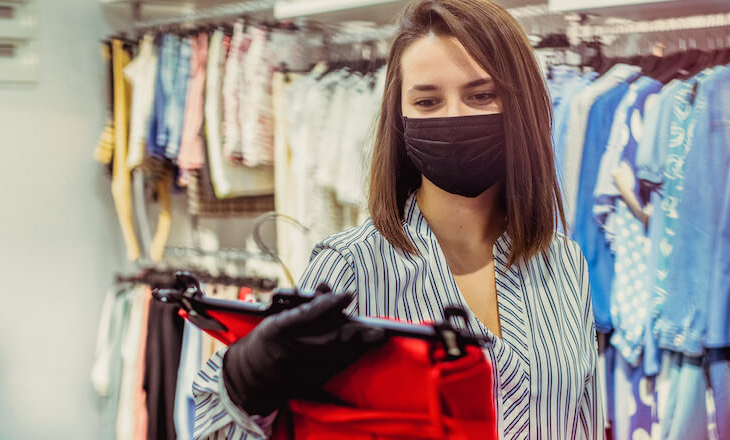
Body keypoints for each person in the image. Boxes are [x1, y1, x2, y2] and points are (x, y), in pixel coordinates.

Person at [193, 0, 603, 438]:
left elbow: (586, 420)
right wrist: (244, 381)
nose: (454, 117)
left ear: (520, 105)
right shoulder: (350, 267)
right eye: (427, 101)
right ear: (401, 119)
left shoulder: (562, 261)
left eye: (481, 95)